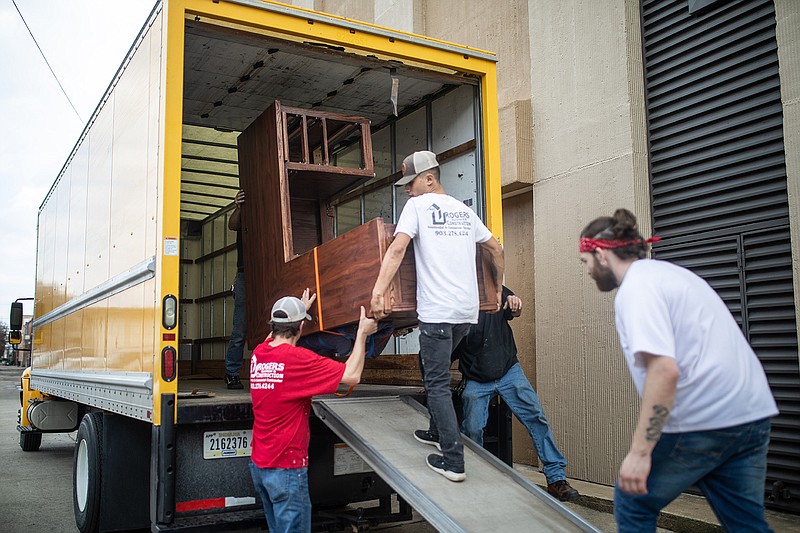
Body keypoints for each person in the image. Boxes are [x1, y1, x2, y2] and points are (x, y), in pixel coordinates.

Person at [579, 208, 778, 532]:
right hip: (751, 415)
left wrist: (641, 453)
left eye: (584, 263)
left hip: (704, 420)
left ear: (600, 254)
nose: (587, 272)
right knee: (745, 522)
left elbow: (664, 371)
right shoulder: (671, 274)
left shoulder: (636, 288)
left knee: (632, 500)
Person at [370, 150, 504, 482]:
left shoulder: (417, 206)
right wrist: (498, 289)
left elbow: (398, 248)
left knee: (437, 383)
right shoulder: (464, 211)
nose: (406, 190)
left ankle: (453, 461)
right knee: (435, 368)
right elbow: (496, 249)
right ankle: (435, 430)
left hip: (438, 312)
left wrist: (378, 291)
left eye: (410, 183)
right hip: (465, 314)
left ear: (429, 179)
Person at [249, 289, 377, 533]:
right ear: (299, 328)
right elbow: (352, 375)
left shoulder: (259, 354)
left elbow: (272, 338)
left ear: (274, 326)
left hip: (260, 465)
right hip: (286, 468)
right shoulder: (298, 359)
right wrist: (361, 333)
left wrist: (299, 311)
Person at [453, 285, 580, 502]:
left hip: (508, 371)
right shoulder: (452, 303)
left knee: (536, 418)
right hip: (476, 379)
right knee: (472, 430)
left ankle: (556, 479)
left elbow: (514, 309)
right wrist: (431, 383)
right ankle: (475, 481)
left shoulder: (492, 286)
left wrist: (515, 305)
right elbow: (444, 349)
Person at [225, 189, 246, 389]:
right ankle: (232, 373)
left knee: (276, 327)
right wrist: (238, 207)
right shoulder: (246, 209)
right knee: (240, 330)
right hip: (244, 275)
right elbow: (233, 225)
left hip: (266, 274)